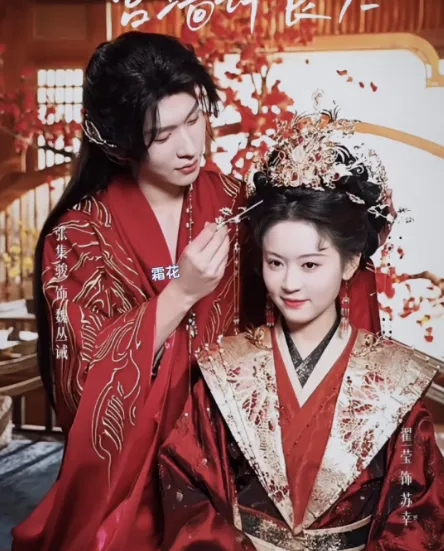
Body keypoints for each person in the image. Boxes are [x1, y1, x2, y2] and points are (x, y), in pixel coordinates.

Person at [12, 33, 388, 550]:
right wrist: (180, 295)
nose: (189, 146)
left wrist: (347, 234)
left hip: (237, 456)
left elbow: (305, 303)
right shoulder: (78, 235)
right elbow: (84, 384)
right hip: (133, 472)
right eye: (162, 135)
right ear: (119, 141)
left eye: (194, 119)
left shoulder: (238, 206)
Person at [158, 104, 444, 550]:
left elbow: (415, 517)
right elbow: (189, 490)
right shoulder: (225, 371)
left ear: (350, 262)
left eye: (310, 264)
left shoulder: (395, 383)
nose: (290, 283)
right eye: (275, 263)